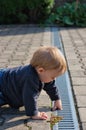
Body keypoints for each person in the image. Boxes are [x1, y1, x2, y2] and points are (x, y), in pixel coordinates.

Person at [0, 46, 67, 120]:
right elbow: (29, 96)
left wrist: (56, 99)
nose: (54, 79)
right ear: (41, 70)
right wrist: (34, 113)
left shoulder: (42, 74)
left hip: (8, 86)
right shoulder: (30, 78)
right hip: (2, 85)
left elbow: (51, 86)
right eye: (53, 77)